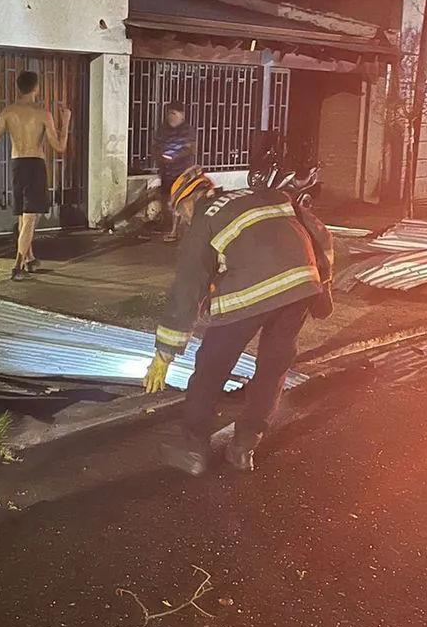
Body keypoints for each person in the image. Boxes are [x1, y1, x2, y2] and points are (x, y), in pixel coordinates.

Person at [142, 165, 334, 475]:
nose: (184, 221)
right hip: (300, 286)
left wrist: (164, 353)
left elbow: (187, 286)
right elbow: (321, 235)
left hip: (250, 291)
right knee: (273, 366)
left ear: (188, 203)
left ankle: (192, 449)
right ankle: (245, 444)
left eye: (181, 214)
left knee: (211, 367)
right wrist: (323, 290)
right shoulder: (270, 196)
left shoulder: (204, 218)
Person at [0, 71, 71, 281]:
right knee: (30, 219)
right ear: (36, 88)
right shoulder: (43, 113)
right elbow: (60, 147)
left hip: (17, 164)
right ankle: (18, 266)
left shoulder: (9, 112)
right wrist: (67, 121)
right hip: (35, 164)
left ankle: (30, 259)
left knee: (23, 217)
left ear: (18, 88)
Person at [151, 101, 197, 242]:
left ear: (182, 115)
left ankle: (176, 230)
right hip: (166, 171)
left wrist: (175, 157)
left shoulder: (188, 131)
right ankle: (172, 228)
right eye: (169, 113)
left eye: (174, 113)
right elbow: (155, 147)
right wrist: (160, 157)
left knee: (179, 201)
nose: (170, 117)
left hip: (182, 172)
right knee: (168, 201)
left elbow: (191, 149)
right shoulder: (162, 130)